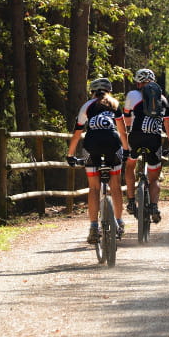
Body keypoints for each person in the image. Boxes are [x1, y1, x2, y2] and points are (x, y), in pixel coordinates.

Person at [66, 77, 131, 243]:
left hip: (91, 144)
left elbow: (77, 134)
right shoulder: (115, 104)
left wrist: (70, 155)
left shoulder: (87, 106)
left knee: (94, 188)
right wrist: (125, 150)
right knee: (115, 185)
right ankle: (119, 222)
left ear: (92, 92)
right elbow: (122, 131)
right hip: (112, 143)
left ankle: (94, 227)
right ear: (109, 90)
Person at [123, 68, 169, 223]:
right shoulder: (162, 99)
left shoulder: (132, 95)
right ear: (153, 82)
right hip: (154, 140)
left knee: (130, 166)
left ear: (137, 82)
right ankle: (154, 206)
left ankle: (130, 201)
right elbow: (168, 125)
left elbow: (127, 120)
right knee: (154, 179)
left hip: (135, 138)